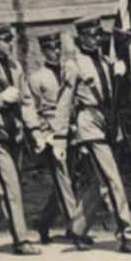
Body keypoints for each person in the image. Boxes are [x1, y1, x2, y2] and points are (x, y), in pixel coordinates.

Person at [51, 16, 131, 254]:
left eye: (97, 35)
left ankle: (78, 228)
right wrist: (59, 137)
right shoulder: (74, 65)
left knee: (99, 181)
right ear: (81, 37)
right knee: (112, 179)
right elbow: (64, 102)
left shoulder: (105, 61)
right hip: (89, 123)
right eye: (91, 35)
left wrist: (121, 75)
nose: (96, 39)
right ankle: (126, 233)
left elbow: (120, 98)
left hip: (110, 122)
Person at [0, 24, 50, 255]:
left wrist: (34, 130)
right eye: (5, 39)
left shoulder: (15, 68)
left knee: (9, 189)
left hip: (13, 135)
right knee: (10, 188)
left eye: (10, 39)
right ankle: (21, 240)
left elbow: (26, 101)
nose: (10, 43)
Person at [29, 32, 93, 248]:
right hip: (50, 136)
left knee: (68, 181)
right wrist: (42, 134)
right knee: (63, 180)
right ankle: (75, 230)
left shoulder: (69, 71)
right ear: (43, 51)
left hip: (70, 132)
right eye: (50, 49)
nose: (55, 52)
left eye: (57, 48)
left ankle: (43, 221)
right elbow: (33, 110)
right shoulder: (37, 78)